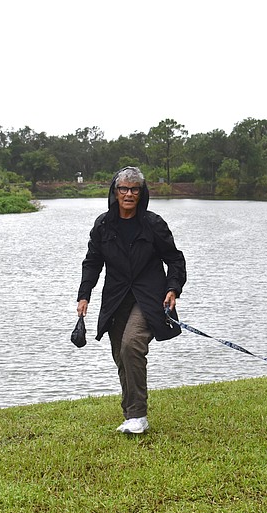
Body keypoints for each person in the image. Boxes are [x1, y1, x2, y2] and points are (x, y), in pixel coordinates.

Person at [77, 166, 187, 434]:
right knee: (121, 356)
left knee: (131, 345)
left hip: (149, 298)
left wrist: (173, 288)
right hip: (116, 298)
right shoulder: (103, 225)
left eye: (134, 189)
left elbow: (175, 259)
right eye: (123, 189)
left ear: (141, 193)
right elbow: (92, 263)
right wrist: (84, 294)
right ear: (115, 192)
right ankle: (130, 414)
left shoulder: (153, 224)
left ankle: (138, 415)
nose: (128, 194)